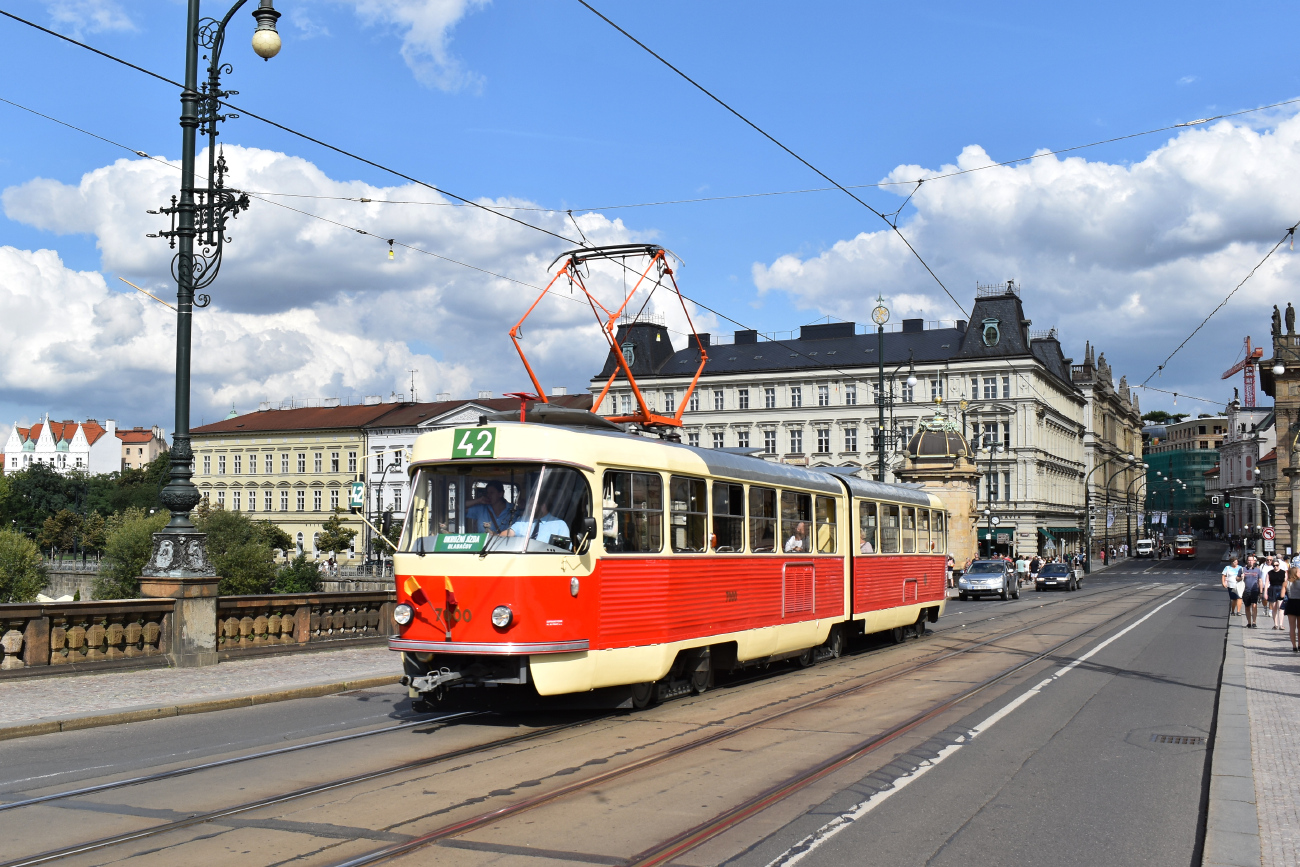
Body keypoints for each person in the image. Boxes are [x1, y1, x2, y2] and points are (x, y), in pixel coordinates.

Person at [505, 493, 570, 547]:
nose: (529, 508)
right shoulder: (523, 521)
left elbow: (563, 550)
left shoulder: (560, 525)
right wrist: (497, 536)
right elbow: (510, 532)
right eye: (529, 504)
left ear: (543, 507)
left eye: (532, 504)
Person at [1241, 555, 1264, 628]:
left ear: (1254, 561)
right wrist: (1241, 577)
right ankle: (1249, 622)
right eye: (1249, 560)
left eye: (1252, 560)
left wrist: (1261, 592)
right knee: (1247, 607)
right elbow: (1237, 579)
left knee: (1254, 605)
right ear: (1247, 561)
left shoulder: (1257, 570)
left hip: (1254, 590)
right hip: (1246, 590)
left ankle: (1254, 622)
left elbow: (1260, 580)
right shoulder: (1243, 569)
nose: (1250, 562)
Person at [1268, 556, 1288, 629]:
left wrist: (1286, 591)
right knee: (1274, 608)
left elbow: (1286, 582)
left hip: (1281, 589)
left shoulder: (1283, 572)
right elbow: (1267, 582)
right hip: (1272, 589)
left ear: (1279, 565)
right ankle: (1275, 624)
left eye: (1277, 565)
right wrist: (1264, 592)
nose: (1275, 567)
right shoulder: (1270, 573)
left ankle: (1281, 624)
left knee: (1281, 607)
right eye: (1274, 565)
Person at [1285, 566, 1300, 651]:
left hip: (1291, 603)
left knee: (1292, 627)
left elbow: (1282, 595)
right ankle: (1299, 645)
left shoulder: (1286, 582)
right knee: (1299, 627)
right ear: (1296, 573)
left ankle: (1294, 646)